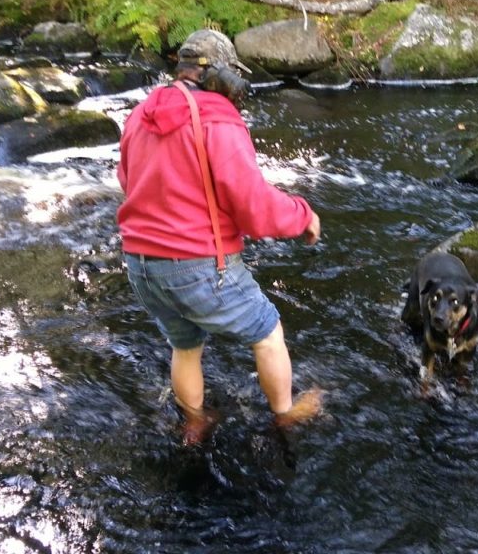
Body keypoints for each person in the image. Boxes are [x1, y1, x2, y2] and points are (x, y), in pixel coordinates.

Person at [117, 29, 323, 445]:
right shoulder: (217, 117)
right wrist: (302, 215)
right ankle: (285, 416)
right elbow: (252, 204)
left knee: (185, 343)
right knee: (267, 330)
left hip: (141, 263)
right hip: (197, 265)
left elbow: (128, 180)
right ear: (220, 73)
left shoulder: (140, 115)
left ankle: (193, 423)